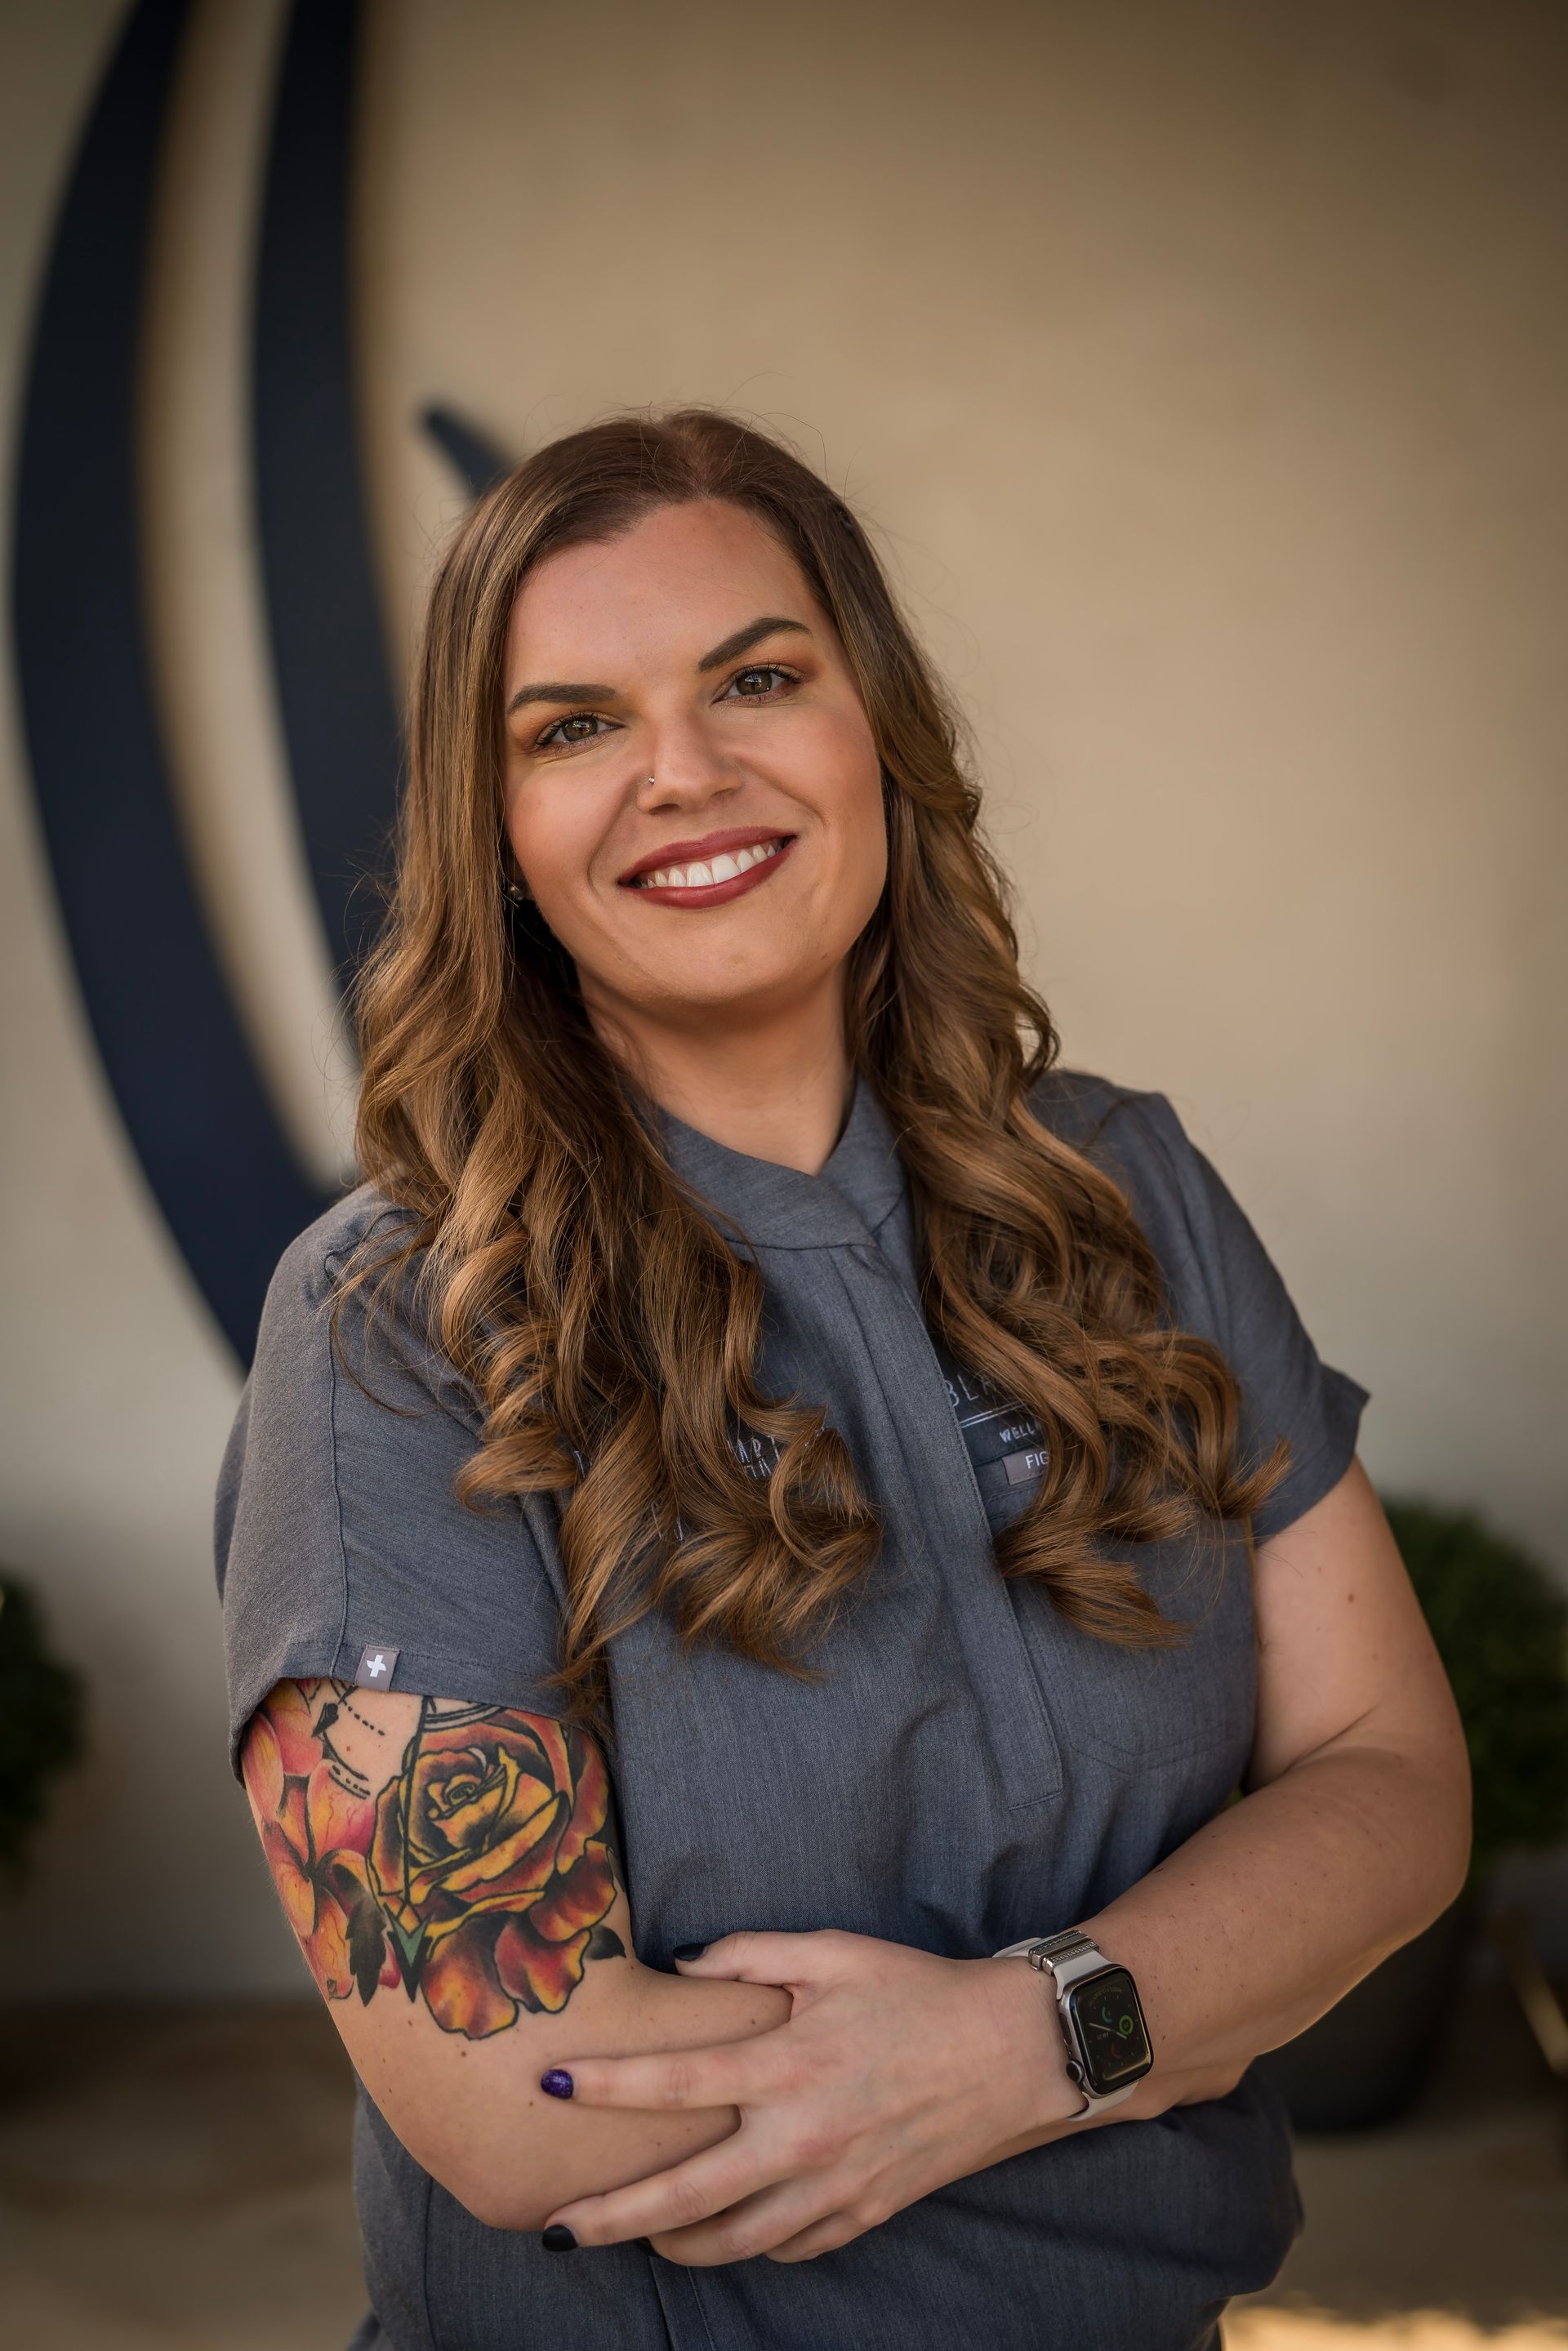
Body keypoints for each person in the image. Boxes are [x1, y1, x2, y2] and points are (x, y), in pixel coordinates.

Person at [216, 409, 1470, 2351]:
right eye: (571, 729)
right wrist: (1180, 1996)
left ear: (873, 726)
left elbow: (1390, 1785)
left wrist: (1022, 2040)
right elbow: (519, 2101)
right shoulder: (396, 1327)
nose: (682, 773)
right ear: (503, 847)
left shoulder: (1124, 1194)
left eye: (758, 679)